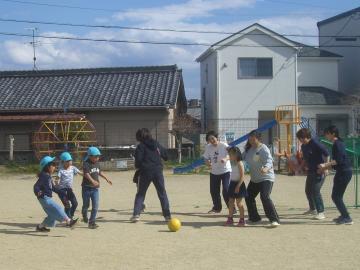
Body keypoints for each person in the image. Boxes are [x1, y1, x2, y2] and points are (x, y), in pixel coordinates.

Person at [130, 128, 171, 222]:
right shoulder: (156, 144)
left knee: (141, 194)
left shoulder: (141, 146)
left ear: (139, 137)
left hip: (145, 172)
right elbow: (166, 156)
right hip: (157, 171)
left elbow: (138, 162)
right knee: (162, 193)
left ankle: (136, 215)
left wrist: (140, 167)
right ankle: (167, 216)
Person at [244, 130, 280, 227]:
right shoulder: (249, 149)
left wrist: (266, 168)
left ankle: (274, 219)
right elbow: (241, 158)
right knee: (248, 196)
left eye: (253, 139)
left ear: (259, 138)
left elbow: (269, 161)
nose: (251, 141)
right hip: (255, 179)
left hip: (266, 178)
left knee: (264, 197)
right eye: (250, 139)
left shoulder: (263, 149)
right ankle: (254, 218)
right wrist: (229, 156)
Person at [318, 126, 353, 225]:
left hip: (344, 172)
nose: (325, 135)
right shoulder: (337, 143)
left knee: (336, 196)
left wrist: (325, 165)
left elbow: (338, 160)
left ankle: (347, 217)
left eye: (327, 133)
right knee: (338, 196)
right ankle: (344, 215)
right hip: (343, 171)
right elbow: (337, 161)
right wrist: (326, 168)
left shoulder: (337, 144)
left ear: (333, 133)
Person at [34, 156, 78, 232]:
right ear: (47, 167)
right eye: (53, 165)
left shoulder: (48, 176)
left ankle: (40, 227)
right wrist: (38, 192)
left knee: (52, 215)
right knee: (59, 208)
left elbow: (53, 188)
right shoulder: (44, 176)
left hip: (45, 198)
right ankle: (69, 221)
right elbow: (36, 186)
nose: (55, 167)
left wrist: (62, 192)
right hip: (44, 198)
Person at [296, 128, 329, 220]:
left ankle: (321, 212)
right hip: (311, 171)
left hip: (320, 171)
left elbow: (327, 154)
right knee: (308, 191)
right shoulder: (303, 146)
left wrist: (325, 167)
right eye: (299, 138)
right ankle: (312, 209)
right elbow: (305, 159)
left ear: (306, 137)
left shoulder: (315, 143)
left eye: (301, 138)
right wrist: (300, 167)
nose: (300, 140)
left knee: (315, 191)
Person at [82, 147, 112, 229]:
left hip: (95, 189)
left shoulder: (97, 163)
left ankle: (92, 222)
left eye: (98, 156)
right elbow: (86, 174)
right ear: (90, 156)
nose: (97, 158)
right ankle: (84, 214)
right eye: (96, 156)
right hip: (86, 188)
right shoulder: (86, 163)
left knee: (95, 206)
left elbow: (99, 172)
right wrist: (92, 181)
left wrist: (106, 179)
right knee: (86, 205)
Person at [203, 131, 231, 213]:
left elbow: (231, 153)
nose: (211, 140)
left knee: (226, 190)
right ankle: (217, 208)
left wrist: (226, 159)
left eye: (212, 138)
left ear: (217, 137)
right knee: (214, 191)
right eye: (209, 139)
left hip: (225, 171)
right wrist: (207, 162)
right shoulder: (208, 147)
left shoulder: (224, 145)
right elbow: (205, 157)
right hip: (214, 172)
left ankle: (231, 208)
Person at [55, 151, 82, 219]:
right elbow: (56, 179)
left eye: (70, 160)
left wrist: (88, 174)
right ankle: (69, 219)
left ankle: (70, 215)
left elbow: (80, 173)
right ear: (63, 162)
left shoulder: (73, 168)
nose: (70, 162)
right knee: (67, 205)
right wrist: (57, 186)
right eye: (68, 161)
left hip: (69, 189)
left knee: (75, 203)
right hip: (62, 190)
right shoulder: (61, 170)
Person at [224, 146, 247, 227]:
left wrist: (238, 186)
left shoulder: (240, 163)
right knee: (230, 202)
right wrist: (228, 149)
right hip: (232, 183)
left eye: (231, 154)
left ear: (237, 154)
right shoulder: (232, 161)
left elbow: (242, 176)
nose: (230, 156)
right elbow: (227, 149)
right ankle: (230, 218)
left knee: (239, 203)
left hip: (239, 184)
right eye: (229, 154)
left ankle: (242, 220)